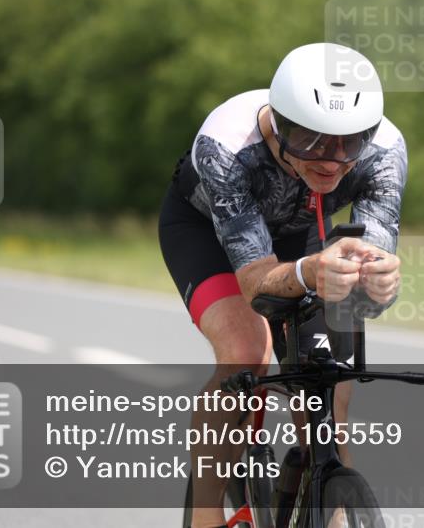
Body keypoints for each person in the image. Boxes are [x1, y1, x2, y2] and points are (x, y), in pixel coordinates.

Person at [158, 42, 407, 528]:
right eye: (313, 141)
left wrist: (379, 282)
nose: (332, 161)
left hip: (302, 234)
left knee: (325, 378)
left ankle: (330, 503)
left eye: (349, 142)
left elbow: (370, 280)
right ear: (278, 120)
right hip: (206, 230)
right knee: (247, 352)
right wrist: (312, 271)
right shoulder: (227, 144)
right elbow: (256, 286)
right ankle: (205, 516)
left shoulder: (384, 152)